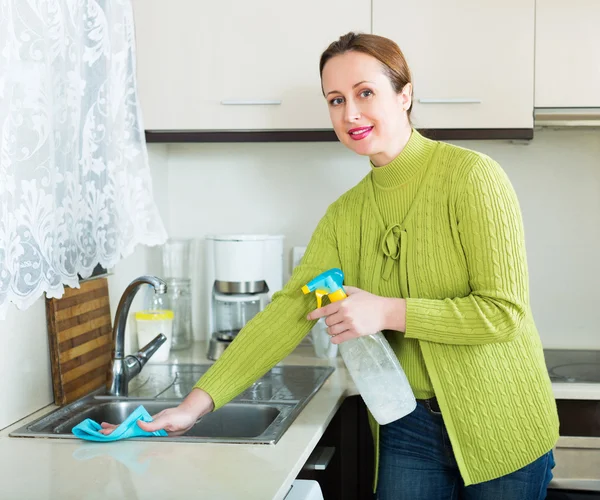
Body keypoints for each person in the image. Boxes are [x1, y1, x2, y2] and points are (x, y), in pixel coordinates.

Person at [101, 32, 559, 499]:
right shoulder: (346, 215)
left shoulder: (472, 177)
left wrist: (386, 311)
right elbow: (285, 314)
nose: (350, 114)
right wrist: (193, 406)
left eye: (365, 93)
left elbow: (503, 313)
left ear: (404, 95)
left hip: (502, 420)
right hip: (406, 424)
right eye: (336, 100)